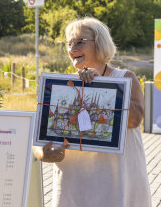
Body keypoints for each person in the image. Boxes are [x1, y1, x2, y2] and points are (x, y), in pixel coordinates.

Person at [33, 17, 152, 207]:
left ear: (101, 43)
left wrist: (100, 87)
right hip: (74, 186)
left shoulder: (125, 79)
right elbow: (39, 134)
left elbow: (135, 119)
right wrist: (43, 154)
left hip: (116, 185)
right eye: (69, 44)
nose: (72, 49)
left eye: (80, 42)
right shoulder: (62, 87)